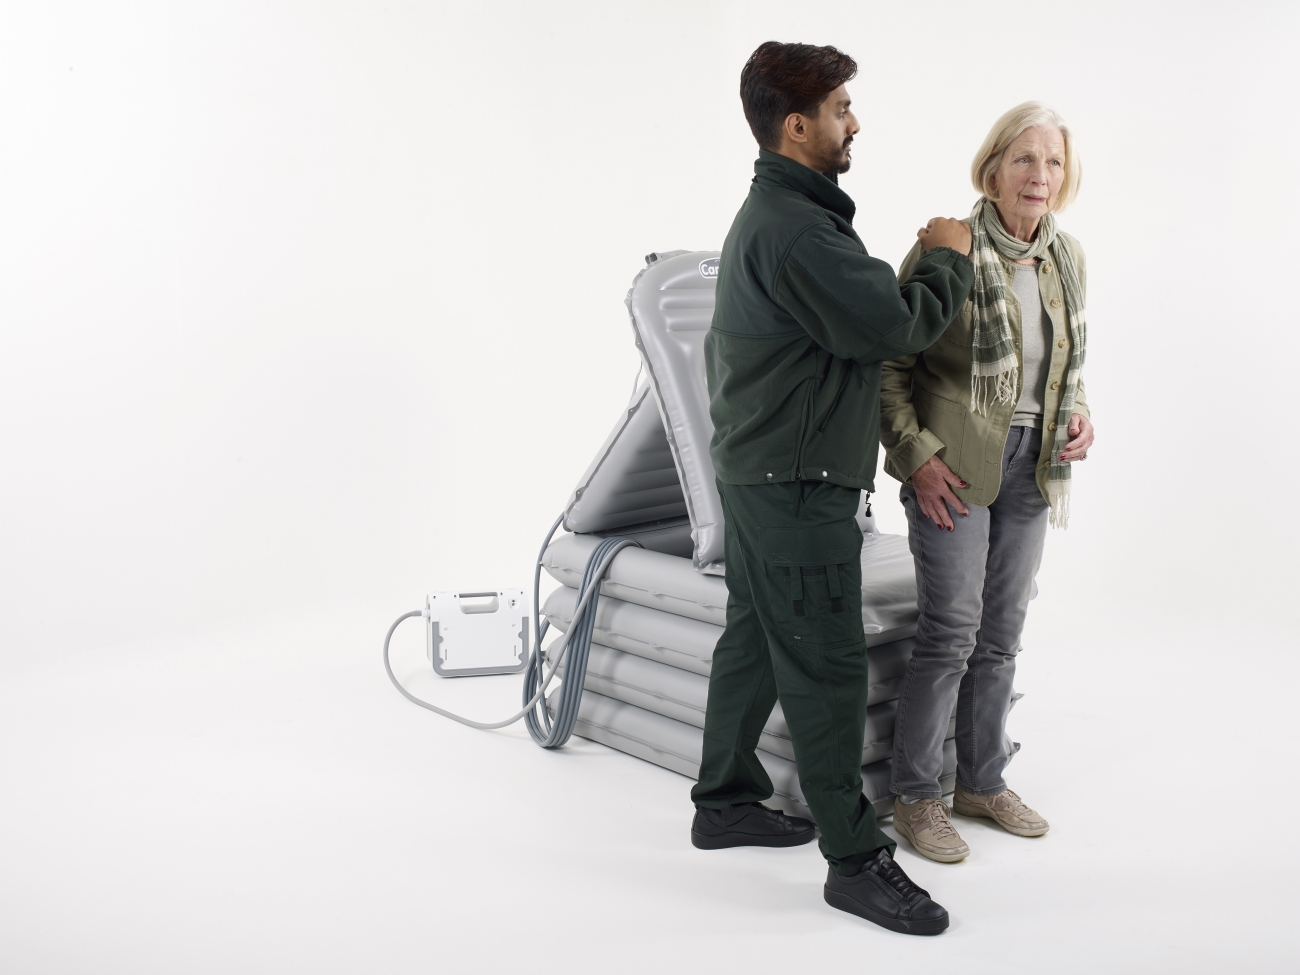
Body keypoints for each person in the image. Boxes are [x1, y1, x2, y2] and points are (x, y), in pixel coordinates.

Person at [688, 41, 974, 936]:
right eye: (841, 109)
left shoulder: (782, 214)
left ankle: (724, 800)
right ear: (796, 125)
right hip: (795, 482)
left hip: (758, 468)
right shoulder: (797, 229)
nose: (856, 122)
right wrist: (947, 256)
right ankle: (855, 860)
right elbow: (892, 324)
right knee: (825, 665)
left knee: (753, 634)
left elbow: (846, 317)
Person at [880, 102, 1095, 863]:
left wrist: (1079, 413)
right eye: (1025, 158)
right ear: (994, 168)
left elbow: (1063, 367)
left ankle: (981, 782)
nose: (1040, 175)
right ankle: (916, 796)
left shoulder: (1065, 259)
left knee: (1001, 636)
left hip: (1035, 463)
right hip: (955, 465)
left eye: (1053, 161)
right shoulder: (948, 249)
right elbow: (888, 364)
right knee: (951, 632)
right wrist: (916, 456)